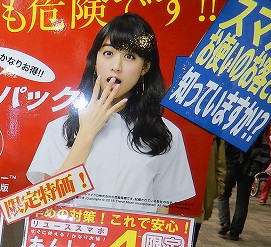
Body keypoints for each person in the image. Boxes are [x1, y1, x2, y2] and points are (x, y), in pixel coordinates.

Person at [27, 13, 195, 214]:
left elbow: (161, 211)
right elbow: (48, 206)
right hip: (75, 234)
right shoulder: (60, 129)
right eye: (108, 53)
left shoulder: (165, 134)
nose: (116, 66)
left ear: (145, 67)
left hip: (131, 235)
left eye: (130, 56)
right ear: (96, 60)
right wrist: (86, 133)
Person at [217, 133, 270, 241]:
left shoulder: (233, 127)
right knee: (242, 201)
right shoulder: (258, 130)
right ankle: (235, 232)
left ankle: (225, 222)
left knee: (222, 195)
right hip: (249, 170)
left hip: (231, 167)